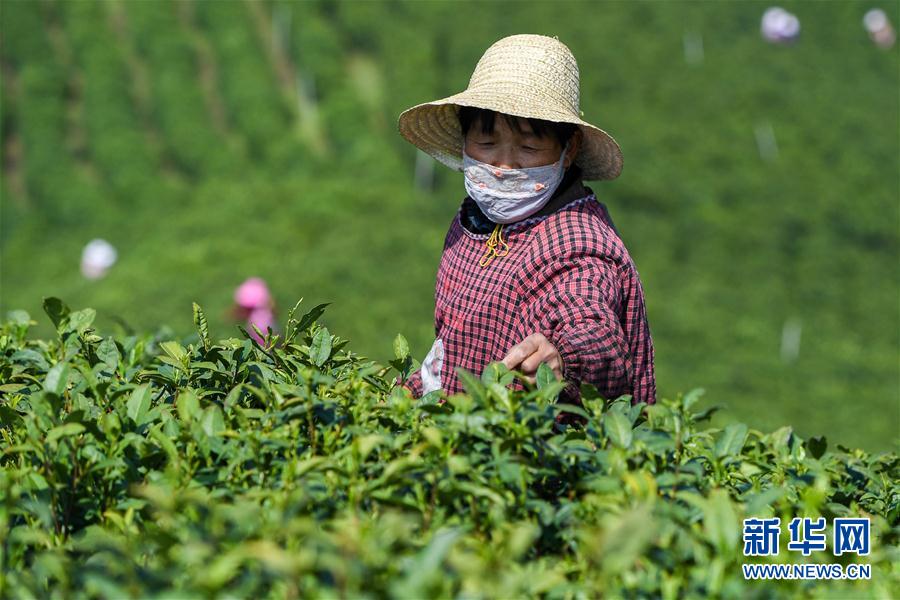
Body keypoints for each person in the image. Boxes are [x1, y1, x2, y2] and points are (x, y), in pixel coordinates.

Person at [396, 34, 656, 406]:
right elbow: (450, 347)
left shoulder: (579, 245)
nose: (503, 166)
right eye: (486, 144)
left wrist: (565, 356)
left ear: (569, 151)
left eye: (529, 147)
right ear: (464, 140)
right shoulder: (472, 221)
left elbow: (595, 331)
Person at [232, 277, 277, 345]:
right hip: (271, 334)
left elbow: (239, 313)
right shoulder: (266, 306)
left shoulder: (251, 309)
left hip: (260, 337)